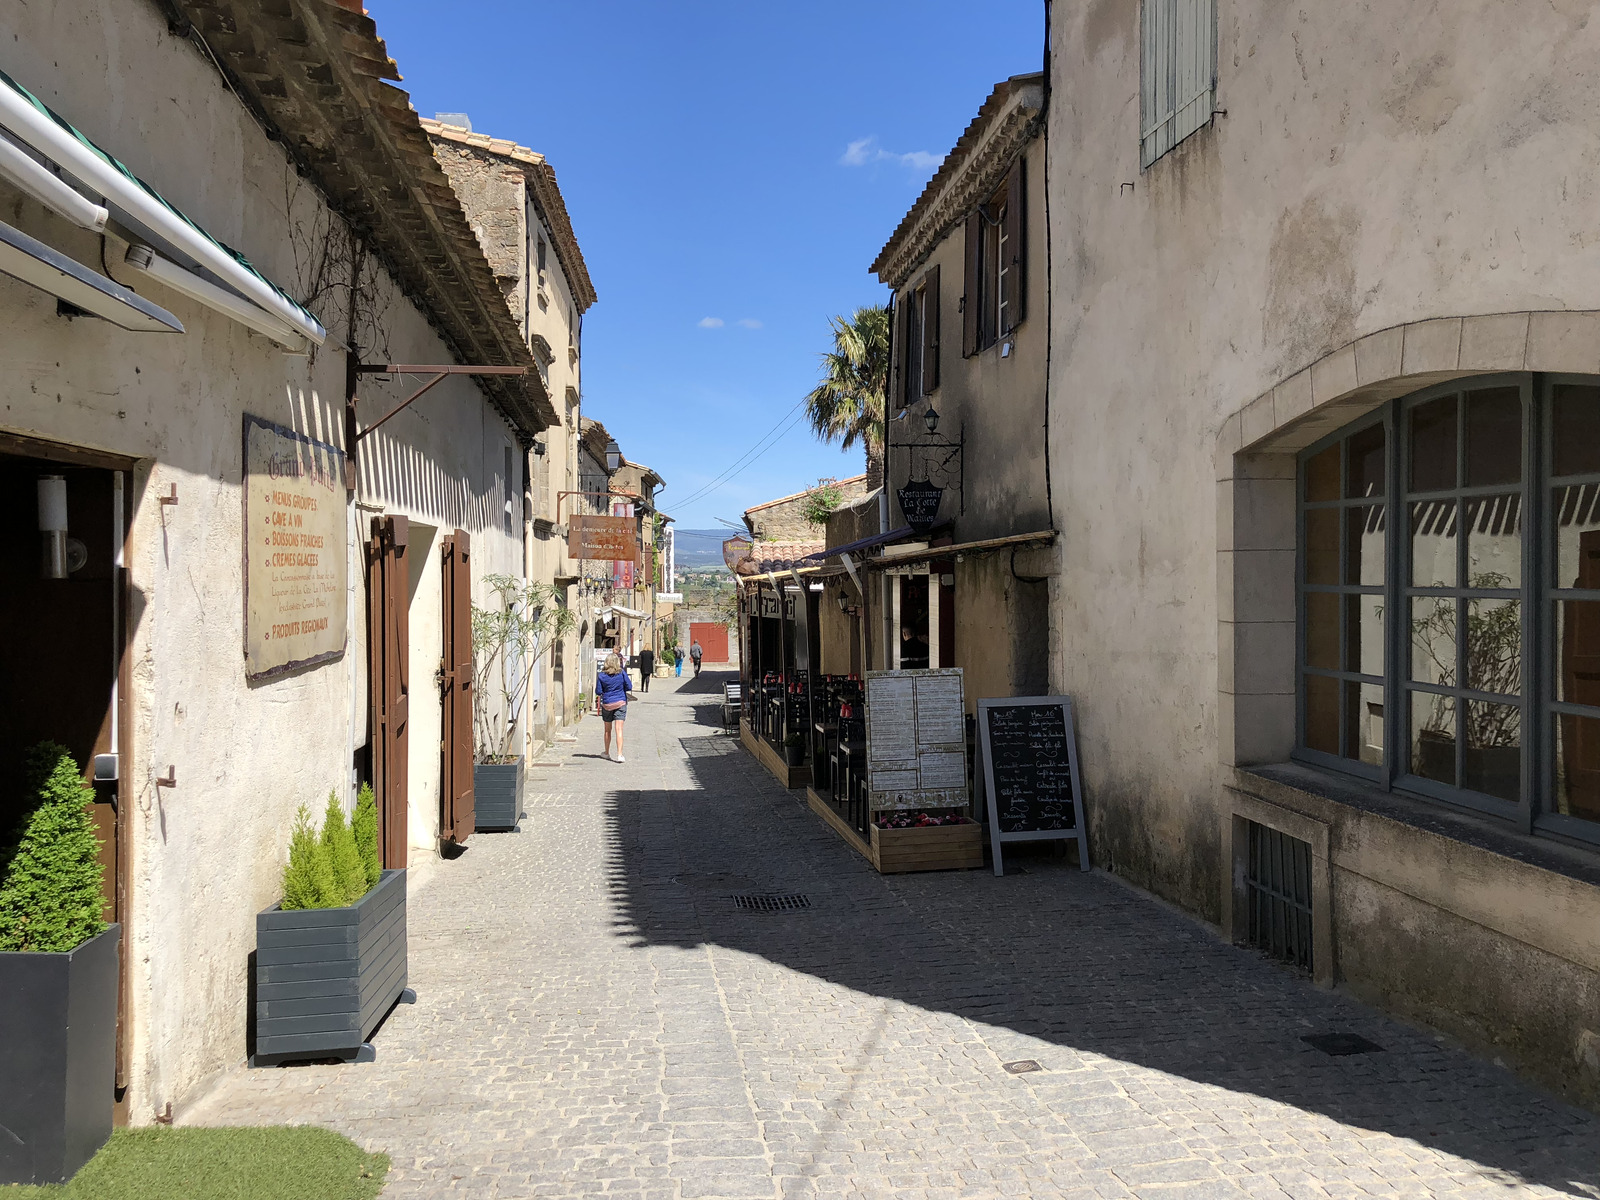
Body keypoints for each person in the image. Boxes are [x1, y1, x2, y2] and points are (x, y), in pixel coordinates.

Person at [594, 652, 635, 762]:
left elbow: (598, 691)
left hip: (607, 704)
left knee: (607, 730)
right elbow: (629, 686)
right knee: (619, 729)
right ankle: (620, 755)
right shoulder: (621, 673)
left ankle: (606, 752)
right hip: (620, 702)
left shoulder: (602, 675)